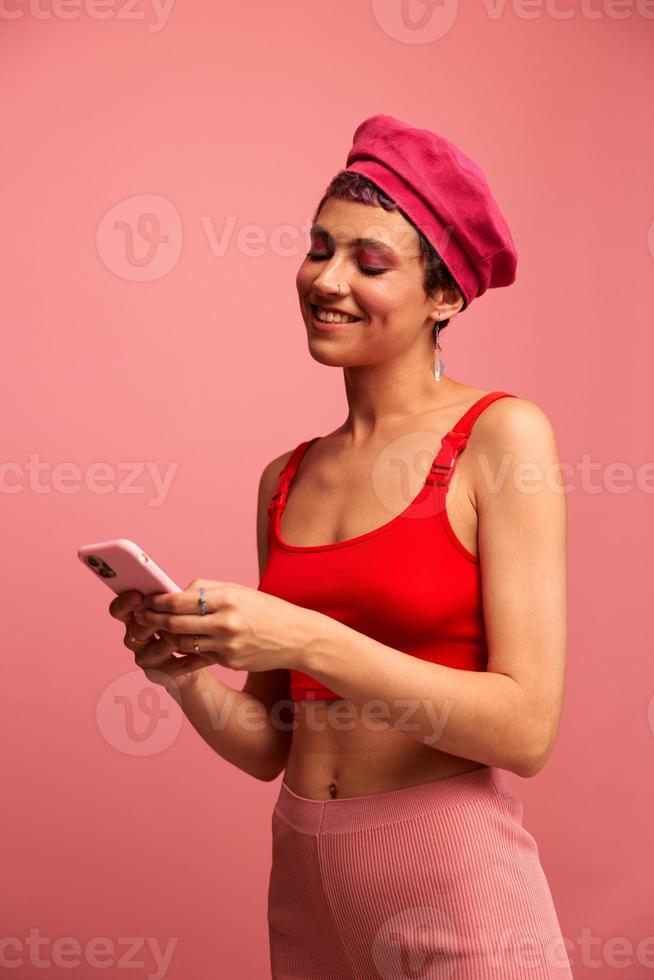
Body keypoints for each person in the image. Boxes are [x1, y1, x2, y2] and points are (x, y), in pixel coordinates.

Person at [110, 114, 573, 979]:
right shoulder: (286, 476)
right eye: (318, 248)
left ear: (444, 296)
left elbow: (526, 728)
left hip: (454, 879)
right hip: (305, 886)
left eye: (370, 262)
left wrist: (303, 636)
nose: (326, 279)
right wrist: (179, 674)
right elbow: (270, 741)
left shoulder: (500, 437)